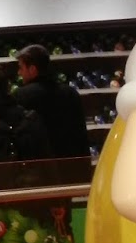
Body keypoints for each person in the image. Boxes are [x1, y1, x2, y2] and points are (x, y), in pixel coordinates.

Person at [14, 44, 92, 179]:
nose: (19, 73)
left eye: (21, 68)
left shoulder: (22, 96)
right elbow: (81, 133)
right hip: (72, 167)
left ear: (32, 69)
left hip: (41, 170)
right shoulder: (70, 93)